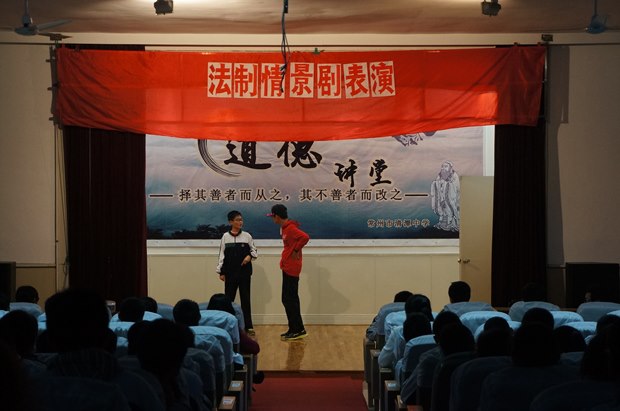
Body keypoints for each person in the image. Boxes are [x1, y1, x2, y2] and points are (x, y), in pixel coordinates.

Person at [268, 204, 310, 341]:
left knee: (289, 299)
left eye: (273, 216)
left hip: (292, 268)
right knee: (289, 299)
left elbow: (305, 237)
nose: (272, 219)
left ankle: (298, 329)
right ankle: (294, 328)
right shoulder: (285, 228)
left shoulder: (290, 228)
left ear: (277, 216)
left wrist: (296, 250)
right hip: (287, 266)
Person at [216, 210, 258, 335]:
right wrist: (221, 271)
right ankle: (228, 324)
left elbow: (254, 251)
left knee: (246, 299)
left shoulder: (247, 236)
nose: (240, 222)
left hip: (244, 273)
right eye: (237, 220)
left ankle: (248, 326)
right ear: (231, 222)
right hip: (230, 273)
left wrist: (249, 256)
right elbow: (222, 255)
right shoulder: (225, 237)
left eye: (241, 220)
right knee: (228, 300)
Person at [430, 160, 460, 231]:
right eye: (442, 166)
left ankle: (453, 225)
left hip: (451, 198)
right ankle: (442, 224)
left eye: (446, 166)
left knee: (451, 209)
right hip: (442, 197)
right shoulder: (440, 175)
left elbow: (456, 188)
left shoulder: (454, 176)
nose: (443, 168)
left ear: (450, 168)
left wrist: (447, 184)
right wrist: (436, 184)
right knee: (442, 210)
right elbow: (438, 184)